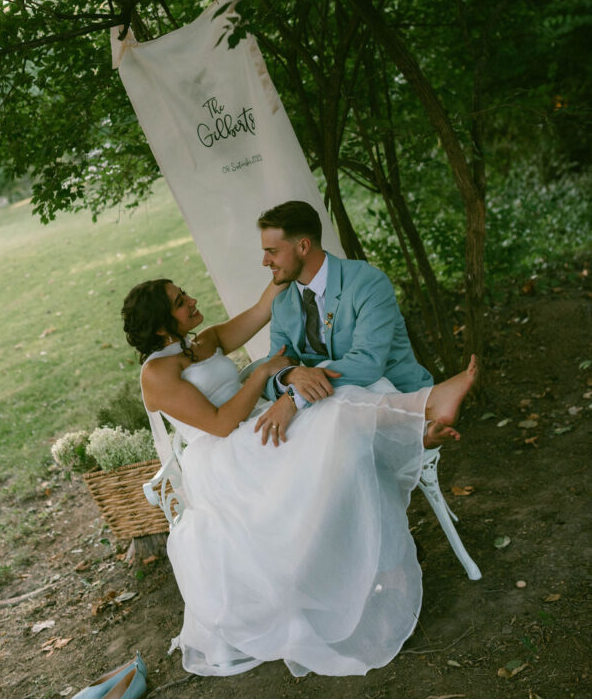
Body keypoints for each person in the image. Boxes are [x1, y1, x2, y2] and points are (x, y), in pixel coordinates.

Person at [121, 276, 476, 678]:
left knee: (334, 404)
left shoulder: (200, 341)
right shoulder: (157, 375)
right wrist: (262, 375)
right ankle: (421, 416)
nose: (193, 301)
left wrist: (284, 269)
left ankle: (420, 422)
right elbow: (219, 424)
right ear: (161, 325)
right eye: (181, 301)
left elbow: (260, 309)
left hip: (254, 430)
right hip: (228, 458)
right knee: (334, 415)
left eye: (185, 294)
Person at [254, 200, 449, 447]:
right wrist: (292, 374)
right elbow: (274, 368)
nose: (265, 261)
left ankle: (424, 420)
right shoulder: (283, 305)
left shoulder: (367, 282)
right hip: (334, 405)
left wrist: (296, 396)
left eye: (272, 251)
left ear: (303, 246)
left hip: (393, 396)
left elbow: (368, 363)